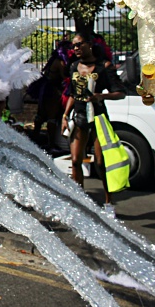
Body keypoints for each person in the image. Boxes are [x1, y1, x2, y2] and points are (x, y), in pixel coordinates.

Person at [61, 32, 125, 216]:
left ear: (89, 44)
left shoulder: (103, 67)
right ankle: (80, 201)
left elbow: (120, 92)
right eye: (73, 46)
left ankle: (109, 202)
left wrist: (101, 96)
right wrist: (65, 116)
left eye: (79, 44)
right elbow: (72, 93)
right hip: (79, 116)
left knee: (100, 162)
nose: (76, 49)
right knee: (75, 160)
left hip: (98, 117)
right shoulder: (74, 67)